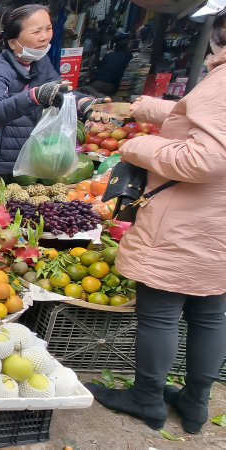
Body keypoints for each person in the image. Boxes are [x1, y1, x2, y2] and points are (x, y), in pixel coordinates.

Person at [84, 7, 226, 436]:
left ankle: (147, 398)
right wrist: (143, 109)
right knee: (211, 312)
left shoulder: (222, 83)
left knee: (162, 314)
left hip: (188, 217)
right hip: (218, 219)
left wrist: (139, 147)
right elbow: (198, 120)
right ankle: (196, 404)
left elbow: (204, 158)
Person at [0, 4, 107, 201]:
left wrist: (85, 104)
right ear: (13, 42)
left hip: (23, 167)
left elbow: (58, 90)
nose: (45, 37)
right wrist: (33, 96)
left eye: (48, 29)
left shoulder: (41, 63)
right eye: (36, 31)